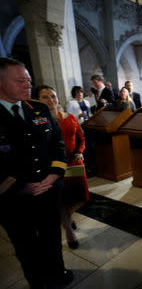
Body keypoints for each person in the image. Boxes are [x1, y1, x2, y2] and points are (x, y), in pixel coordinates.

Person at [0, 57, 73, 288]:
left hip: (49, 190)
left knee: (52, 238)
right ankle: (38, 282)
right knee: (26, 245)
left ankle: (57, 274)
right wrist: (18, 185)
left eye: (29, 80)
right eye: (20, 81)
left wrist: (52, 176)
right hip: (14, 199)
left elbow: (57, 145)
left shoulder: (38, 108)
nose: (27, 85)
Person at [36, 85, 89, 250]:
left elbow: (81, 138)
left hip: (74, 162)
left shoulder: (71, 117)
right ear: (37, 100)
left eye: (53, 96)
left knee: (80, 198)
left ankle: (68, 217)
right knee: (62, 200)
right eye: (45, 97)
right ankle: (68, 230)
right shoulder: (37, 121)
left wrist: (80, 151)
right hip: (54, 166)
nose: (51, 100)